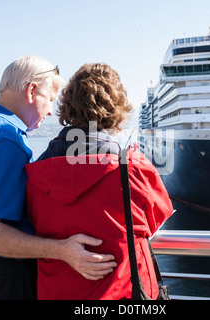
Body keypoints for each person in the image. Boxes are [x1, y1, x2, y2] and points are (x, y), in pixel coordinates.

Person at [0, 56, 117, 300]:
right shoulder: (4, 137)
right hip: (9, 276)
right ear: (32, 90)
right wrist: (62, 250)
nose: (51, 112)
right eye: (51, 100)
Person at [26, 63, 173, 300]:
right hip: (122, 293)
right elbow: (155, 219)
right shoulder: (132, 168)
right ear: (115, 108)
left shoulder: (35, 174)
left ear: (67, 105)